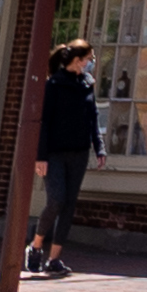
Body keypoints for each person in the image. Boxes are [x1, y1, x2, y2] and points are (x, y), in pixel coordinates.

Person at [25, 40, 100, 276]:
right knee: (56, 199)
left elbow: (93, 117)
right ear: (76, 61)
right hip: (55, 153)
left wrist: (99, 147)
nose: (90, 63)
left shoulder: (87, 85)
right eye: (88, 59)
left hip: (79, 152)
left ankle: (55, 258)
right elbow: (44, 123)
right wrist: (41, 157)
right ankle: (36, 245)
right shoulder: (54, 84)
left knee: (69, 205)